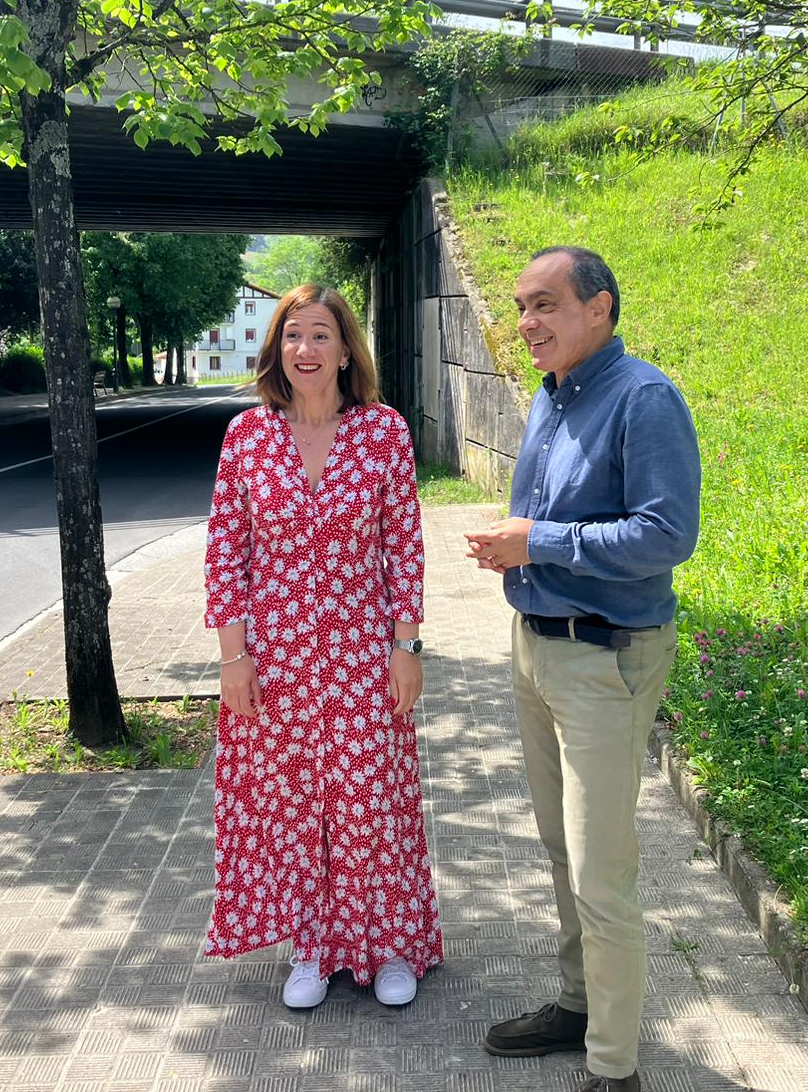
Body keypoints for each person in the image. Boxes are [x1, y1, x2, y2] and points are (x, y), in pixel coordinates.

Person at [465, 247, 701, 1092]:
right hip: (537, 649)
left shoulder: (645, 398)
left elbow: (667, 536)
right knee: (562, 852)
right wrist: (514, 546)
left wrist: (542, 542)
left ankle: (615, 1069)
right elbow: (559, 517)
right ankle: (577, 1005)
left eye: (545, 305)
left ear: (599, 308)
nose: (527, 323)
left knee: (603, 873)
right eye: (521, 306)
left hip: (606, 659)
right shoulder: (551, 396)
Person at [201, 283, 442, 1011]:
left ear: (345, 351)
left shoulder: (384, 432)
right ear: (277, 349)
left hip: (364, 654)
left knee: (371, 800)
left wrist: (408, 646)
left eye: (319, 336)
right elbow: (225, 553)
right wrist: (232, 658)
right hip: (277, 663)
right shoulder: (248, 436)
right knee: (296, 806)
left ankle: (388, 946)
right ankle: (311, 947)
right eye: (292, 336)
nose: (304, 350)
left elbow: (404, 548)